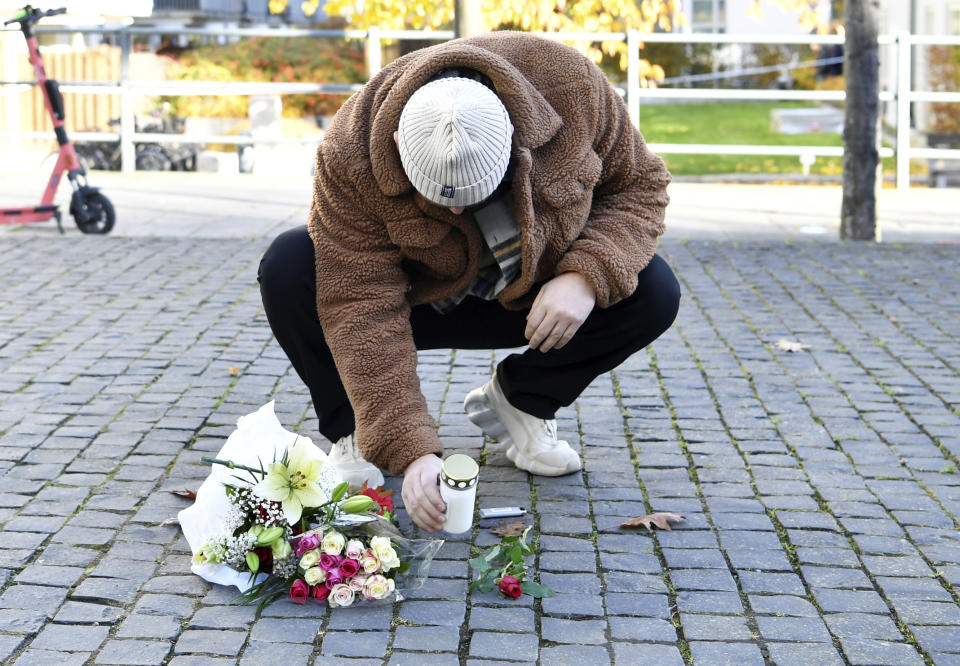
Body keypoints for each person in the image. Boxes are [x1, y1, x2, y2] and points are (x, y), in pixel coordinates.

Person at [258, 32, 680, 533]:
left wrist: (583, 277)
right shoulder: (350, 148)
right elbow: (359, 304)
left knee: (653, 289)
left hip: (530, 293)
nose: (457, 210)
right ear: (398, 144)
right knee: (290, 265)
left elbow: (641, 187)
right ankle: (353, 427)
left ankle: (523, 401)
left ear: (514, 136)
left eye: (476, 191)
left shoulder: (573, 87)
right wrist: (411, 449)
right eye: (439, 196)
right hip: (414, 300)